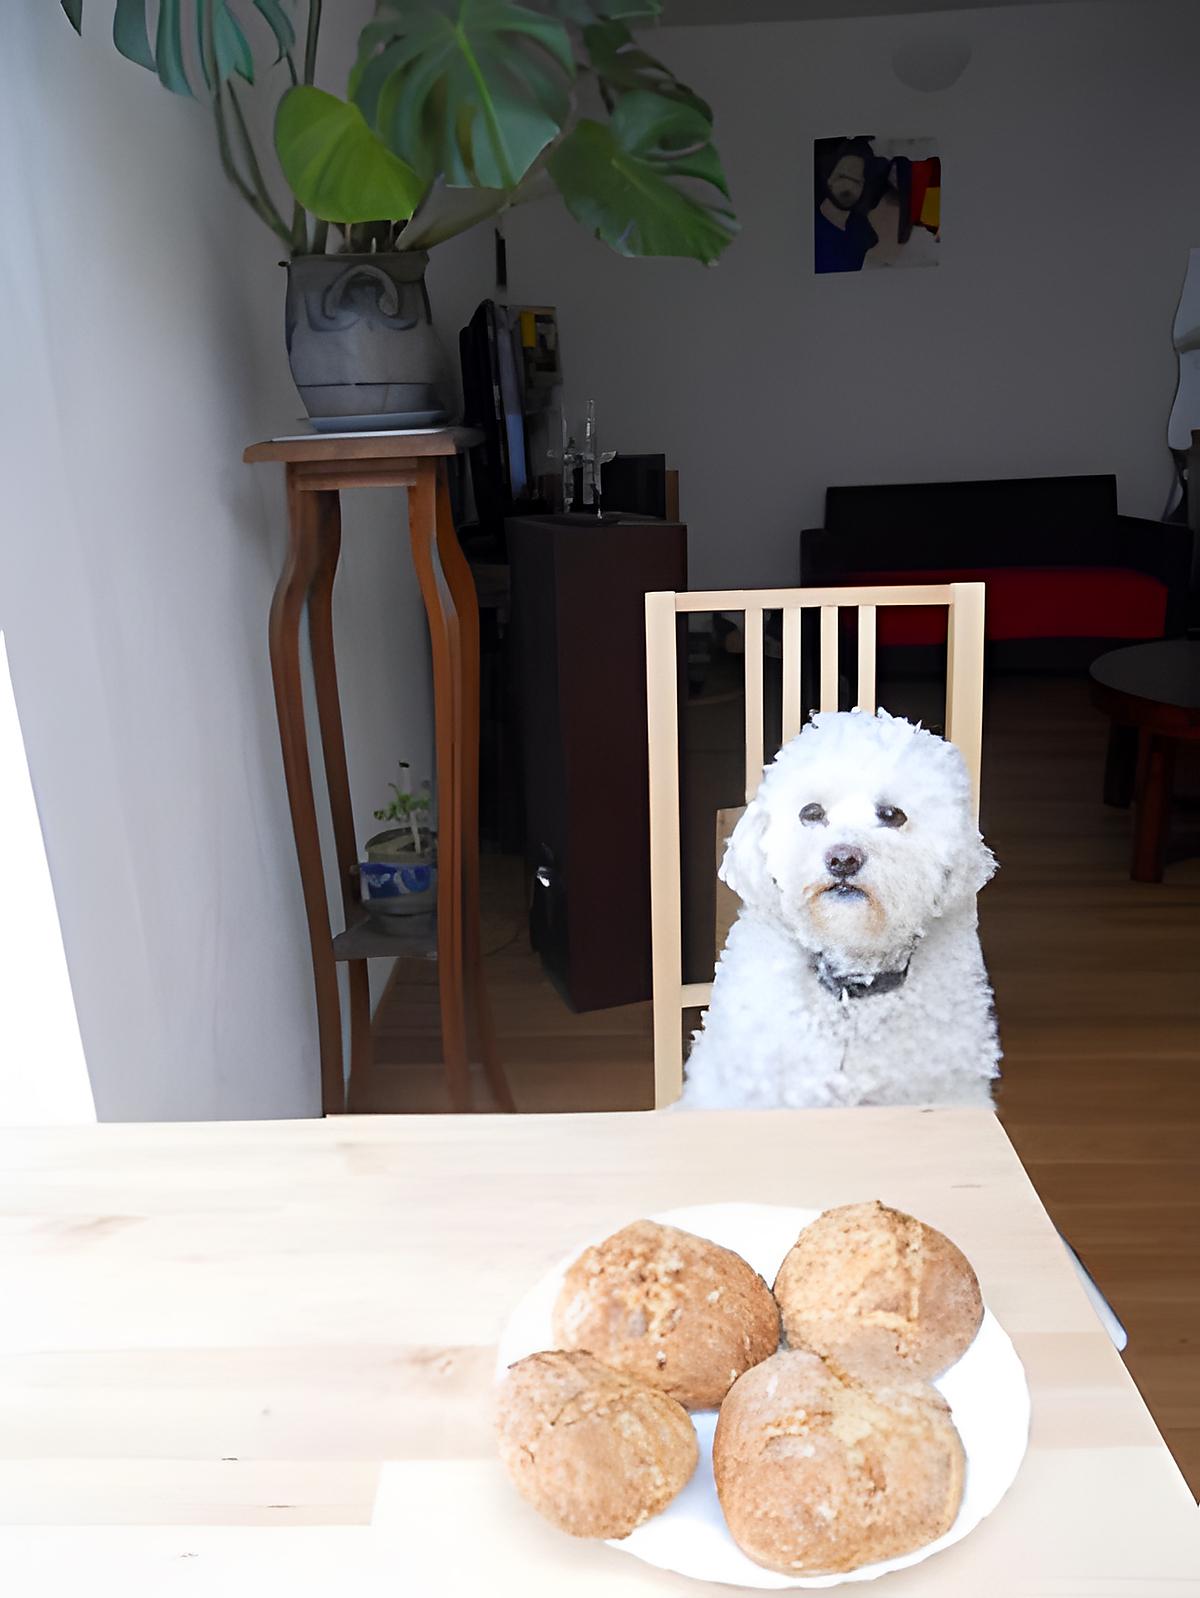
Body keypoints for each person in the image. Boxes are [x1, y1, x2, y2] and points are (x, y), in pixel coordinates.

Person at [814, 138, 878, 274]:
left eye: (856, 181)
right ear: (829, 178)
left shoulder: (864, 233)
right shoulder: (812, 229)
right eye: (842, 176)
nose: (848, 187)